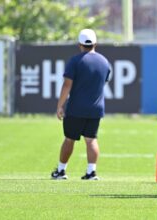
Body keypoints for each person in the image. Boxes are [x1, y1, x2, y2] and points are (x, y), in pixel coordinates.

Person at [51, 29, 111, 180]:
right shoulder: (104, 62)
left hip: (76, 108)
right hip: (96, 109)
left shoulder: (75, 61)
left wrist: (59, 105)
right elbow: (104, 82)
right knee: (91, 139)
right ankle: (91, 172)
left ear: (80, 44)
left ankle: (61, 170)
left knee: (69, 138)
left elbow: (67, 85)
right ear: (95, 43)